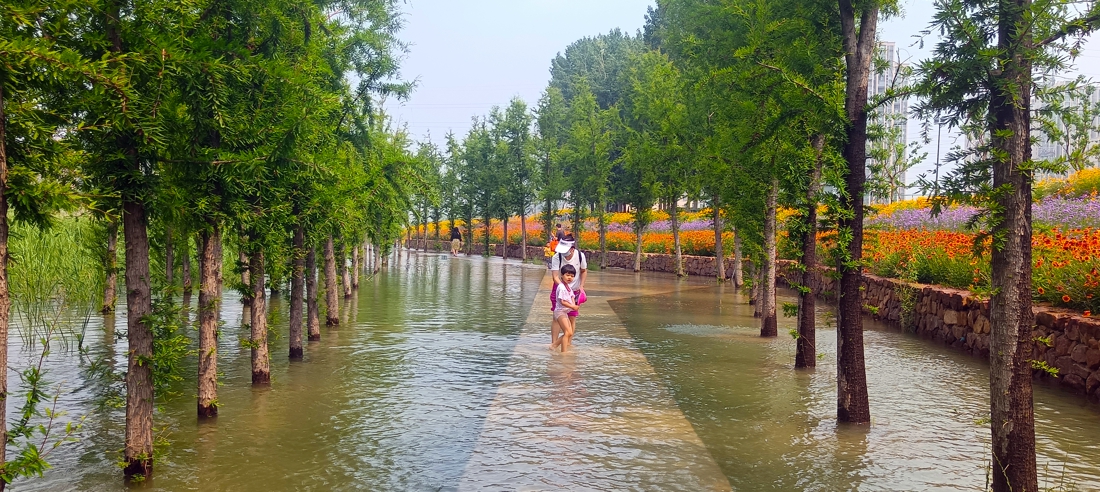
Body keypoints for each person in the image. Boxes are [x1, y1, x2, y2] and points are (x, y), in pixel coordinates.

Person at [549, 233, 586, 340]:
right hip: (559, 289)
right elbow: (555, 276)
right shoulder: (557, 257)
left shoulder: (580, 256)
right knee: (557, 316)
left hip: (575, 290)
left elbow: (583, 271)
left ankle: (568, 343)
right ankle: (554, 343)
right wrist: (563, 288)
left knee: (572, 317)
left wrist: (581, 286)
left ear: (572, 249)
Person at [549, 264, 580, 352]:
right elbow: (562, 301)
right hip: (560, 312)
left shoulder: (568, 286)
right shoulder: (562, 287)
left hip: (564, 312)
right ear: (562, 275)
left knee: (569, 333)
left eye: (572, 276)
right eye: (567, 275)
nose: (570, 277)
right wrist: (572, 306)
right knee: (567, 332)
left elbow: (572, 296)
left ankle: (555, 346)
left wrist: (574, 304)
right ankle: (562, 352)